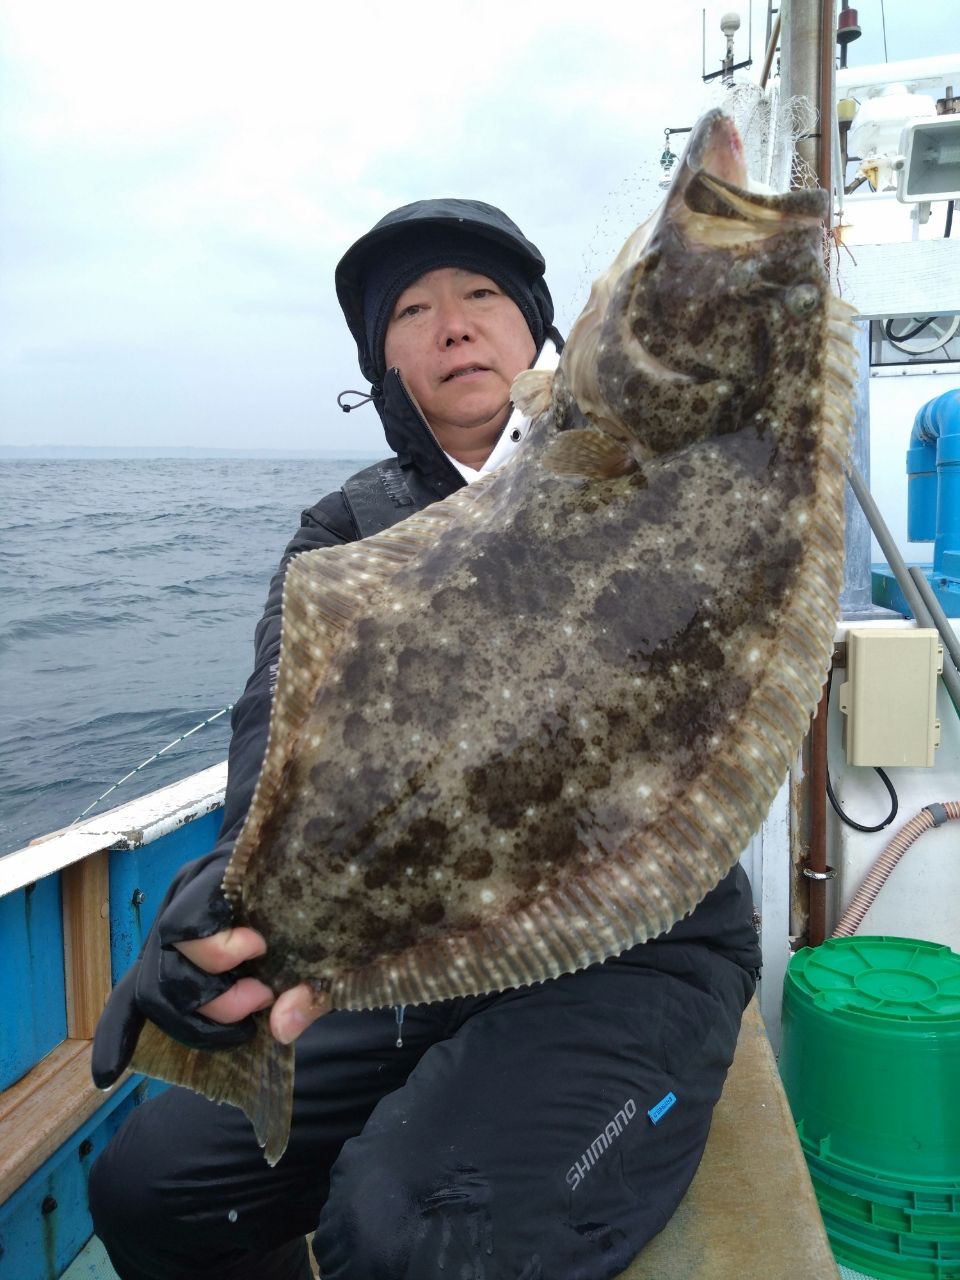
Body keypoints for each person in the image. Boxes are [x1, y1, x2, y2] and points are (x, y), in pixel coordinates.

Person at [89, 199, 761, 1280]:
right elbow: (283, 713)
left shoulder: (645, 464)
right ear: (382, 361)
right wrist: (232, 880)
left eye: (482, 295)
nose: (453, 324)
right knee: (147, 1187)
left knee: (416, 1231)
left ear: (542, 327)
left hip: (649, 933)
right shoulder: (346, 530)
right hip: (431, 939)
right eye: (413, 308)